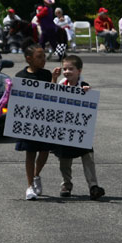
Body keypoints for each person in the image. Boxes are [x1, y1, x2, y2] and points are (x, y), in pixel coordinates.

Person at [49, 54, 105, 200]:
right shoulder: (61, 84)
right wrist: (54, 78)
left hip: (80, 130)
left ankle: (93, 186)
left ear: (79, 71)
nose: (67, 71)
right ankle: (66, 184)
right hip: (63, 129)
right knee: (64, 160)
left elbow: (89, 105)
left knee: (88, 157)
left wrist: (87, 93)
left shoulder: (83, 86)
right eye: (65, 69)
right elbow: (50, 95)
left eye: (71, 69)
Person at [15, 40, 54, 200]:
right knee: (30, 154)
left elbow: (52, 95)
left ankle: (37, 175)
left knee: (44, 151)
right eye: (40, 57)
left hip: (45, 119)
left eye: (44, 56)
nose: (44, 60)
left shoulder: (46, 74)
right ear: (29, 58)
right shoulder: (20, 76)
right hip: (28, 121)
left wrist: (54, 80)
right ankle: (30, 186)